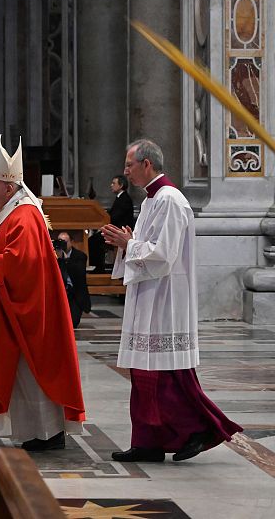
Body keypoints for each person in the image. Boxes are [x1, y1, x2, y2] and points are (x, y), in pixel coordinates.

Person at [103, 139, 242, 462]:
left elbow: (164, 254)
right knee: (144, 373)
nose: (125, 171)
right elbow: (150, 246)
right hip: (150, 295)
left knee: (164, 376)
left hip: (166, 299)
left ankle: (197, 429)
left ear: (147, 164)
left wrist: (129, 244)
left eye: (129, 165)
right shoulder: (153, 200)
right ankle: (148, 442)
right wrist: (128, 244)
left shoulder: (170, 200)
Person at [0, 136, 85, 450]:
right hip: (9, 306)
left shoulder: (25, 215)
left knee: (29, 370)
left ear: (9, 188)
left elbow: (24, 261)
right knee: (6, 370)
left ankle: (45, 433)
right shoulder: (17, 212)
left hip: (27, 310)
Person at [89, 174, 135, 273]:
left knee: (94, 241)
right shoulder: (120, 197)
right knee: (94, 240)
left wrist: (104, 218)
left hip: (120, 231)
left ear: (121, 185)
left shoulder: (124, 199)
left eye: (114, 183)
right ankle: (98, 267)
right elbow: (112, 214)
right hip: (115, 229)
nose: (111, 185)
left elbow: (115, 217)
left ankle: (99, 269)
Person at [55, 232, 91, 328]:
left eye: (65, 242)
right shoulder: (53, 256)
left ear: (71, 242)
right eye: (60, 242)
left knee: (72, 323)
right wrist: (57, 258)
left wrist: (65, 259)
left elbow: (78, 273)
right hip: (58, 293)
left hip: (74, 294)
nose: (62, 244)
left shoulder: (80, 256)